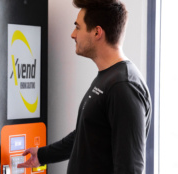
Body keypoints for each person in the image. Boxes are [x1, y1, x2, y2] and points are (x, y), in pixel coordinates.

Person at [17, 0, 152, 173]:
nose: (73, 34)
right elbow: (86, 134)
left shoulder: (123, 86)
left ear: (97, 32)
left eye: (78, 27)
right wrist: (43, 155)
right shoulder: (108, 78)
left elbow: (130, 168)